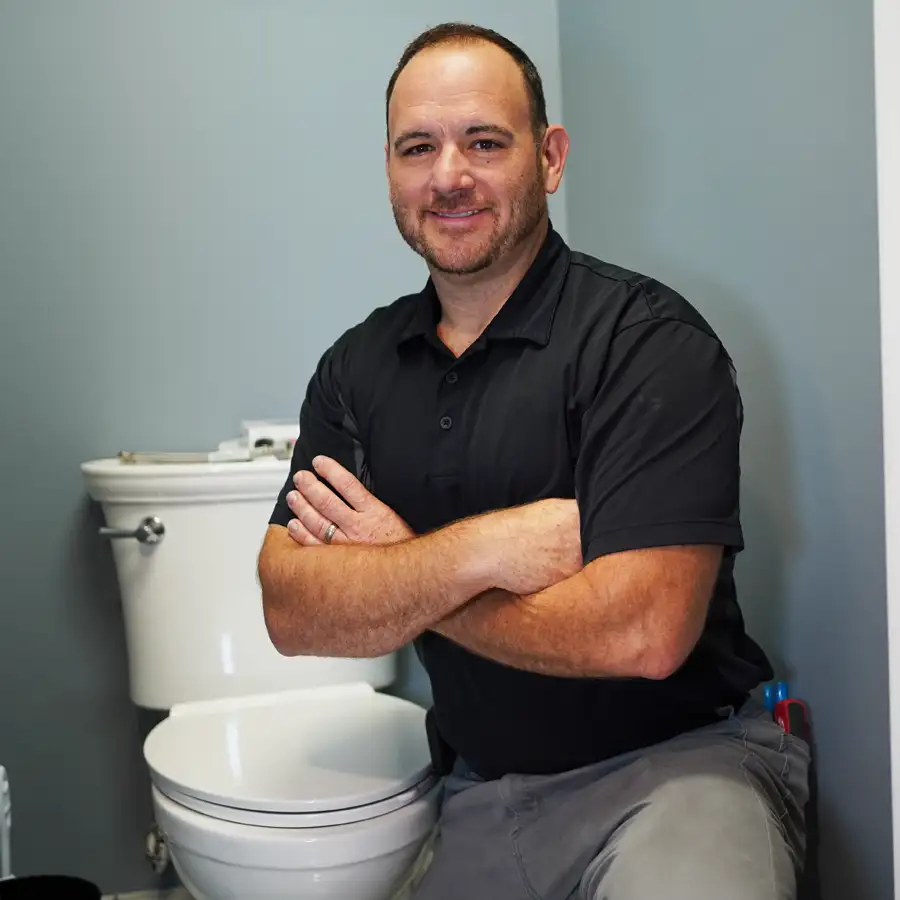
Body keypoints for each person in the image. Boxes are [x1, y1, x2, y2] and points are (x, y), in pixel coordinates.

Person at [257, 21, 809, 900]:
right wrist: (483, 552)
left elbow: (645, 632)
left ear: (549, 158)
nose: (449, 176)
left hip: (679, 771)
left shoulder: (648, 343)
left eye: (484, 141)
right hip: (481, 794)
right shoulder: (356, 368)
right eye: (417, 148)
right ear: (391, 169)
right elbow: (292, 610)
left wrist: (400, 580)